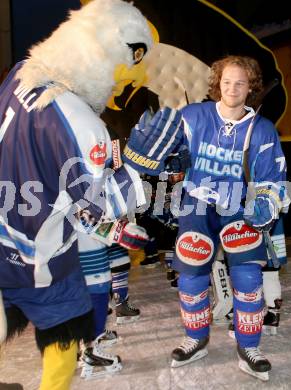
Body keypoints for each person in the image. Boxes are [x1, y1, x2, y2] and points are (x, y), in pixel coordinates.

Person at [0, 0, 184, 388]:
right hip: (39, 254)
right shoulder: (79, 120)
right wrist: (136, 168)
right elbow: (95, 207)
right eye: (129, 64)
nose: (125, 80)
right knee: (65, 329)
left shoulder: (19, 76)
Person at [170, 55, 288, 381]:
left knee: (249, 277)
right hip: (197, 202)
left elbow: (272, 180)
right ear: (217, 84)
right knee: (191, 275)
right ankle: (196, 338)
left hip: (238, 206)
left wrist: (266, 202)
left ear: (250, 87)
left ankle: (249, 346)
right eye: (226, 82)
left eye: (240, 83)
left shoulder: (261, 130)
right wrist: (163, 160)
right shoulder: (192, 116)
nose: (232, 88)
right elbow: (167, 154)